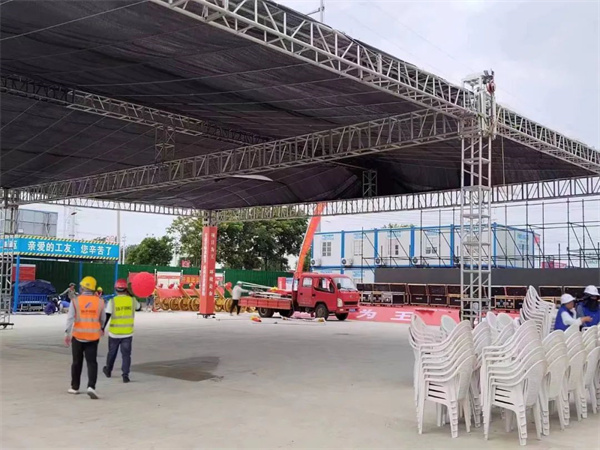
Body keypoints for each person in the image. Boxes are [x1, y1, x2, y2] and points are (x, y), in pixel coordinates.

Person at [64, 276, 105, 399]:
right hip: (93, 337)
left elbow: (70, 318)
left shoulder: (75, 301)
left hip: (78, 336)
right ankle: (91, 386)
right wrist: (101, 328)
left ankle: (75, 387)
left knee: (77, 362)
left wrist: (67, 333)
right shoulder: (100, 302)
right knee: (92, 362)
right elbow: (103, 319)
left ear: (82, 287)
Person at [102, 279, 139, 383]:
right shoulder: (132, 300)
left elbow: (107, 316)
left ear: (116, 289)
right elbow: (139, 307)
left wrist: (102, 328)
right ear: (126, 289)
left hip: (114, 333)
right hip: (127, 333)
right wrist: (131, 295)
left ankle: (108, 370)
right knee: (126, 355)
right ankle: (125, 375)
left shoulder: (112, 301)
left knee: (112, 353)